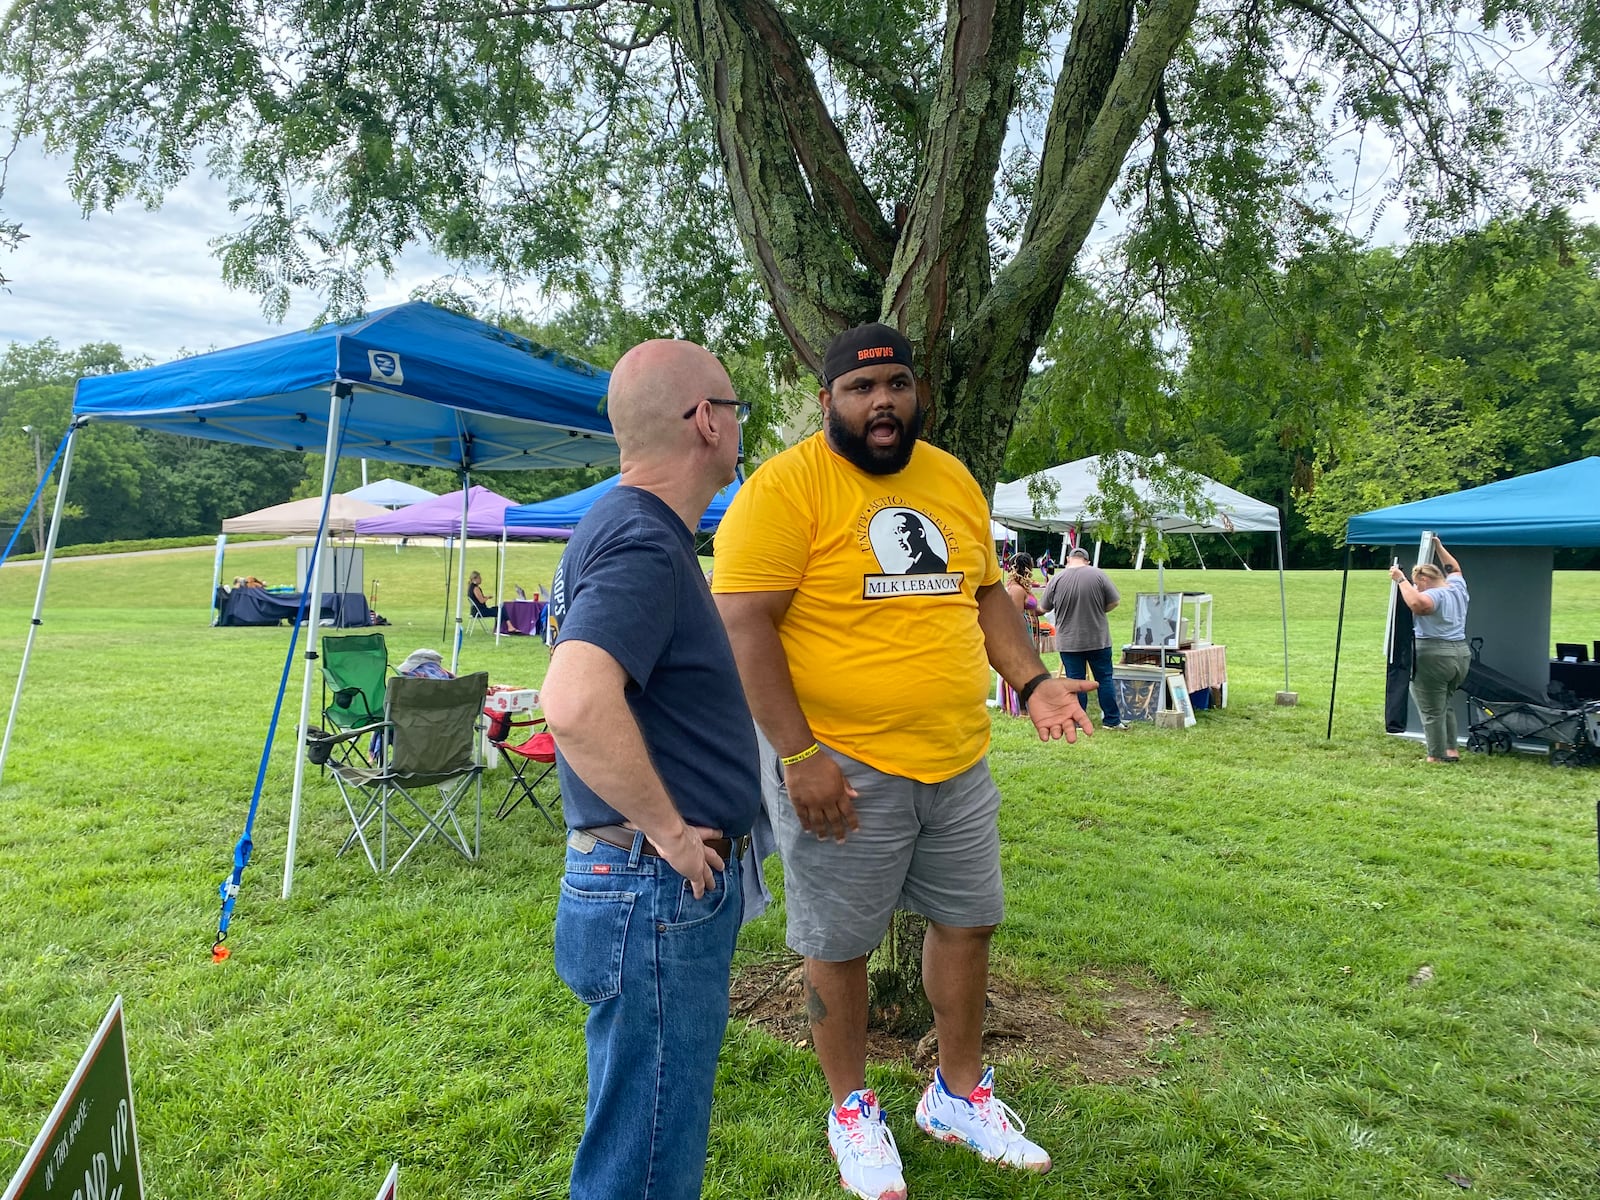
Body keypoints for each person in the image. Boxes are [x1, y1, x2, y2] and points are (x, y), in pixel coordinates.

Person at [712, 322, 1095, 1200]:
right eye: (859, 389)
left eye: (895, 387)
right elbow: (743, 625)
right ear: (828, 403)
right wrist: (799, 755)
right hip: (838, 767)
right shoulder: (787, 488)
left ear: (916, 393)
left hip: (956, 759)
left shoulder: (950, 478)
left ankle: (957, 1097)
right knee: (838, 946)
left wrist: (1033, 681)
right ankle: (851, 1108)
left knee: (968, 923)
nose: (881, 403)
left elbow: (986, 592)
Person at [539, 339, 758, 1200]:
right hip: (653, 888)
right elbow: (577, 701)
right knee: (645, 1166)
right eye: (736, 409)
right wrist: (671, 835)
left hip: (631, 886)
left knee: (636, 1133)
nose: (739, 426)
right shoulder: (643, 540)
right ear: (706, 420)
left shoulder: (619, 525)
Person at [1390, 537, 1470, 763]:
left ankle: (1435, 755)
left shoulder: (1434, 594)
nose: (1417, 588)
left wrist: (1401, 580)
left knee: (1431, 710)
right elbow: (1454, 568)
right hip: (1460, 654)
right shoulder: (1457, 587)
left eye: (1418, 583)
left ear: (1425, 579)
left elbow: (1418, 605)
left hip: (1434, 655)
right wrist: (1439, 546)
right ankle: (1451, 749)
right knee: (1444, 705)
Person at [1042, 546, 1128, 730]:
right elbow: (1115, 601)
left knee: (1075, 680)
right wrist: (1099, 610)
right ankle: (1112, 720)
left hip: (1069, 640)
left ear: (1068, 559)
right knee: (1104, 679)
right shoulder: (1098, 575)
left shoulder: (1057, 578)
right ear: (1087, 561)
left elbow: (1044, 608)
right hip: (1098, 638)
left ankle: (1078, 720)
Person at [998, 554, 1043, 716]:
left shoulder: (1024, 588)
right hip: (1024, 633)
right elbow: (1016, 615)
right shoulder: (1016, 590)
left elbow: (1036, 610)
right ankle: (1021, 708)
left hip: (1032, 632)